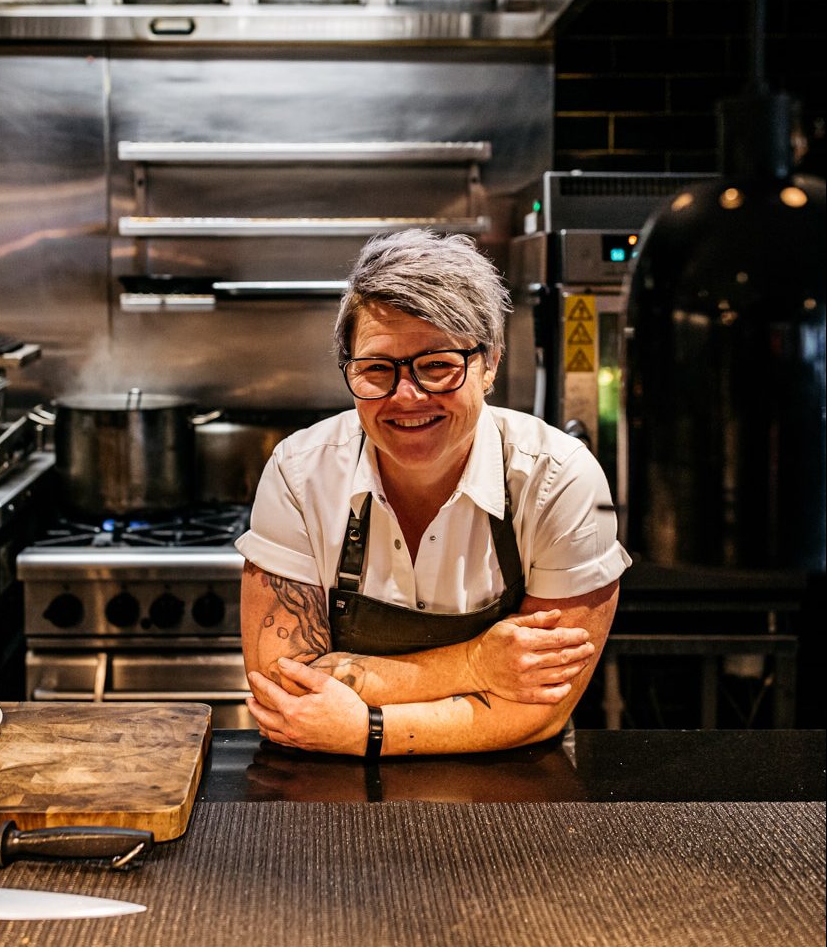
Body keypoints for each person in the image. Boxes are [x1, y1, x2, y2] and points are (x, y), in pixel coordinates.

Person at [237, 229, 629, 757]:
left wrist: (365, 730)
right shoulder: (300, 472)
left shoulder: (559, 479)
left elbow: (542, 708)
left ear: (488, 363)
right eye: (377, 369)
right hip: (329, 809)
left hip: (511, 797)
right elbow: (286, 687)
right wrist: (476, 665)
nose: (407, 395)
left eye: (438, 365)